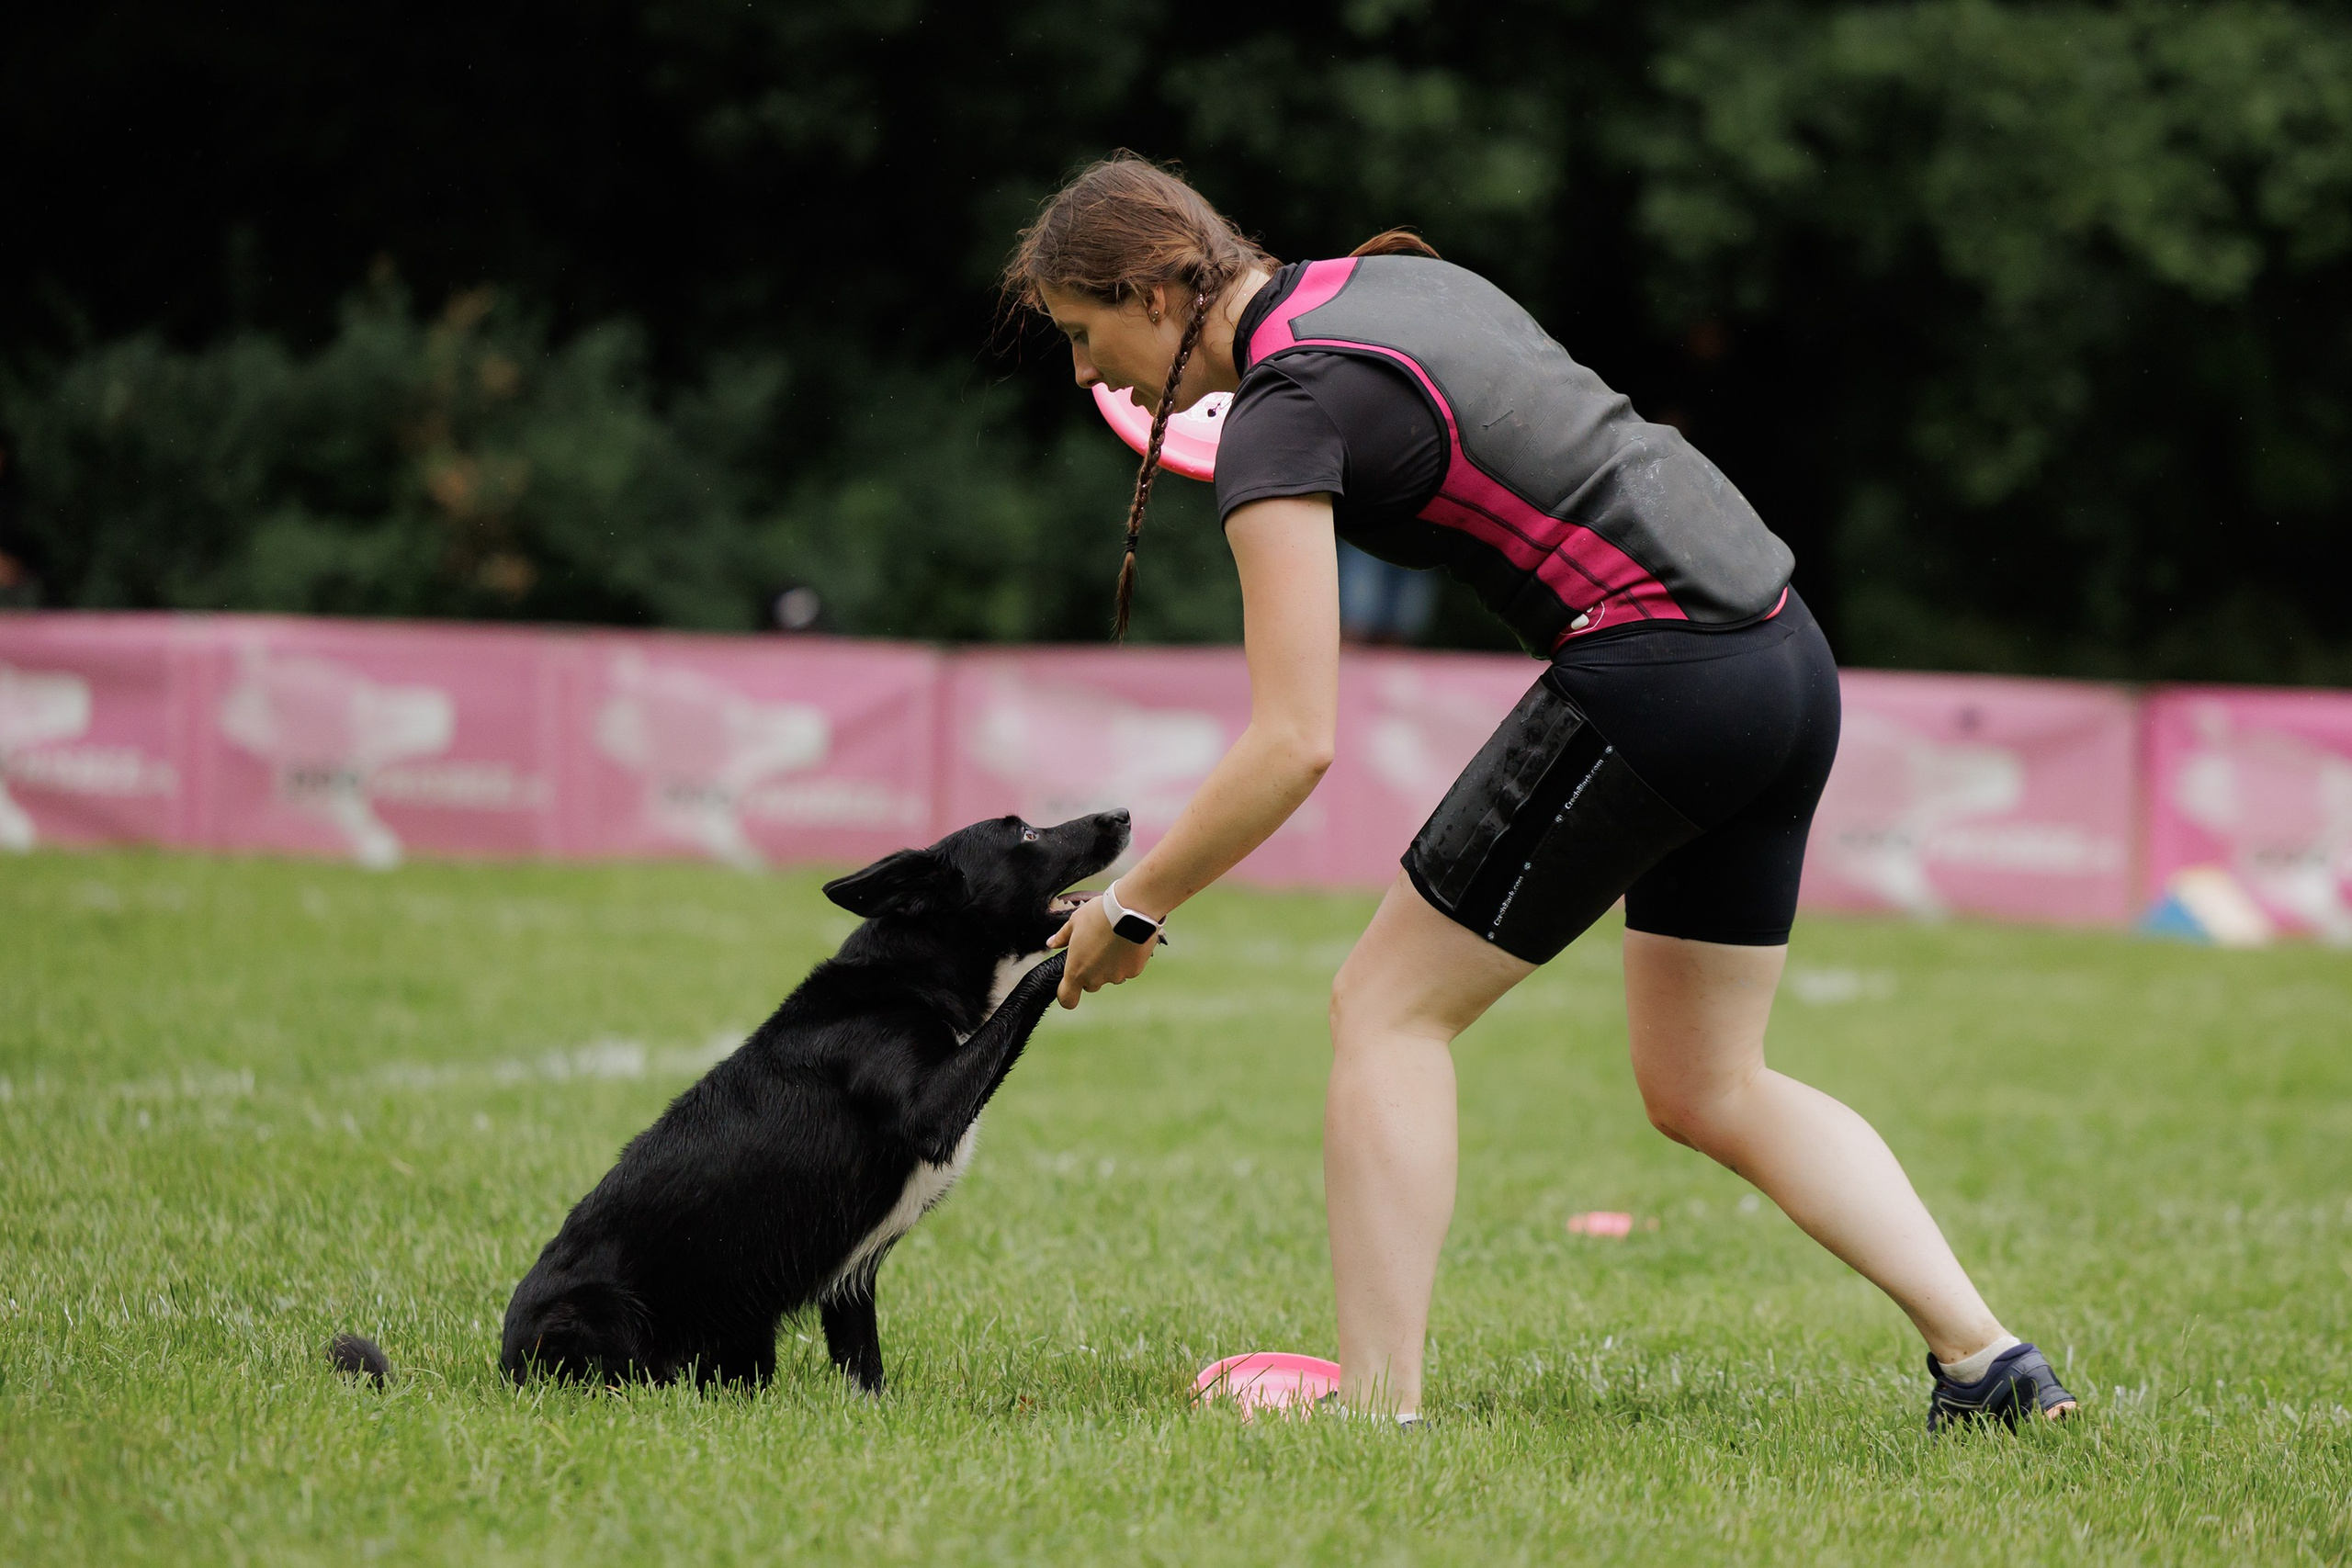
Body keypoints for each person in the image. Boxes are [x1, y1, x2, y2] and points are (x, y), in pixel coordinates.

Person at [1005, 153, 2075, 1434]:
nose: (1085, 376)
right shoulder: (1390, 279)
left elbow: (1293, 740)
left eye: (1086, 332)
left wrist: (1131, 906)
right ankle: (1990, 1365)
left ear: (1163, 294)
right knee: (1707, 1084)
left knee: (1385, 1010)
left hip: (1660, 672)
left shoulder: (1286, 412)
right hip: (1784, 659)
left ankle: (1377, 1407)